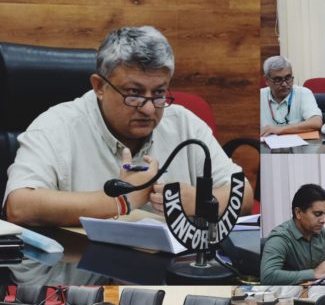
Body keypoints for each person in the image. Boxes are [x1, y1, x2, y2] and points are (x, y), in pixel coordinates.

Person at [4, 25, 253, 226]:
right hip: (82, 264)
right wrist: (122, 201)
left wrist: (202, 201)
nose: (148, 109)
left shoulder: (184, 123)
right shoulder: (57, 126)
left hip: (170, 266)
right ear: (99, 86)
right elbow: (19, 206)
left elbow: (244, 194)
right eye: (134, 93)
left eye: (159, 93)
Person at [260, 184, 325, 285]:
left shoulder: (321, 232)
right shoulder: (280, 238)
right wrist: (313, 273)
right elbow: (267, 276)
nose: (324, 220)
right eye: (317, 214)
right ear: (298, 213)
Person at [260, 56, 322, 137]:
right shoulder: (258, 96)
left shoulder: (303, 93)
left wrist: (279, 129)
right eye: (278, 79)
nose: (284, 84)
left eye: (288, 78)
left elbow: (316, 122)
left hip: (297, 144)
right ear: (267, 80)